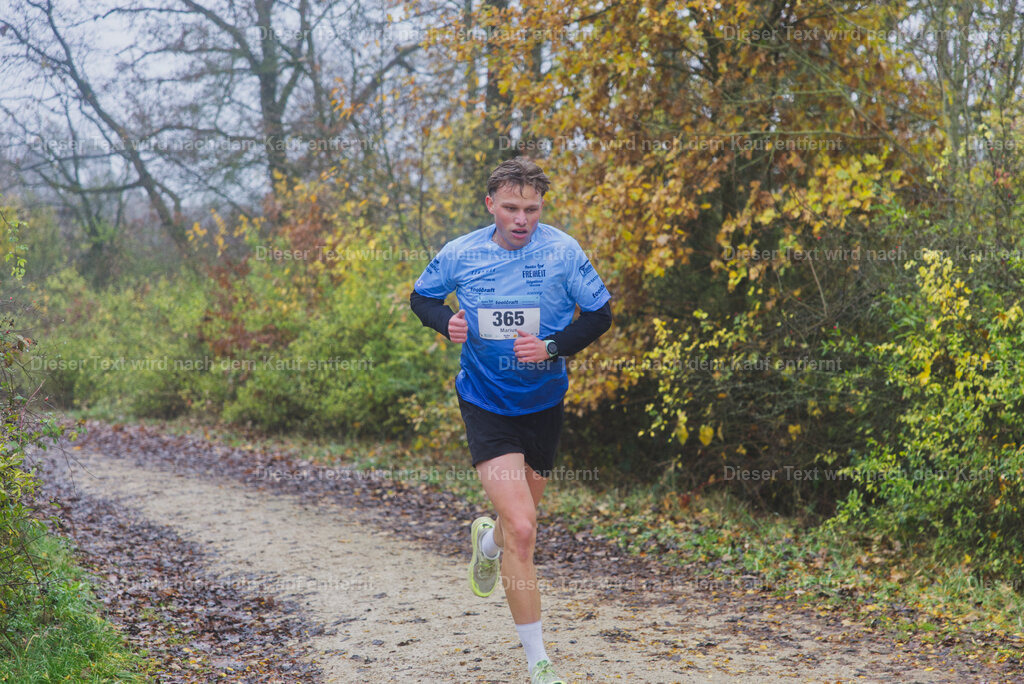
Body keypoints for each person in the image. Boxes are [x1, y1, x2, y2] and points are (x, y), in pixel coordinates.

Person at [410, 156, 612, 684]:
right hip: (485, 401)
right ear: (490, 205)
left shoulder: (563, 251)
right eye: (511, 208)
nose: (522, 219)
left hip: (543, 403)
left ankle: (486, 544)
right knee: (523, 528)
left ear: (541, 208)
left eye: (532, 209)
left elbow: (600, 314)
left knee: (515, 526)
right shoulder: (461, 253)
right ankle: (538, 661)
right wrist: (445, 322)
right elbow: (421, 297)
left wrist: (551, 347)